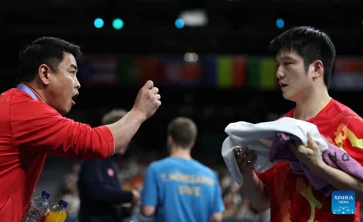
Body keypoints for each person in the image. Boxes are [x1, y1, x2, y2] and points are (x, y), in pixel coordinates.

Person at [0, 37, 161, 221]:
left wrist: (23, 206)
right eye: (72, 72)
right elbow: (96, 143)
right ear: (45, 73)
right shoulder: (25, 110)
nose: (78, 83)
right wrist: (139, 113)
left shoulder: (14, 104)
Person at [235, 26, 363, 221]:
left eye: (288, 63)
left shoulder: (351, 125)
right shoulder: (278, 129)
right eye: (278, 64)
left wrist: (319, 167)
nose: (278, 73)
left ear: (316, 69)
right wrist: (247, 173)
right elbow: (262, 202)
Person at [141, 117, 225, 222]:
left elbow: (147, 211)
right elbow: (217, 217)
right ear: (192, 142)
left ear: (170, 139)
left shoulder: (155, 169)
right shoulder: (210, 174)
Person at [77, 109, 140, 222]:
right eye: (127, 134)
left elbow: (109, 205)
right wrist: (130, 195)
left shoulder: (110, 162)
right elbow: (97, 191)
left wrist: (125, 211)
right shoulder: (95, 157)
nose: (129, 140)